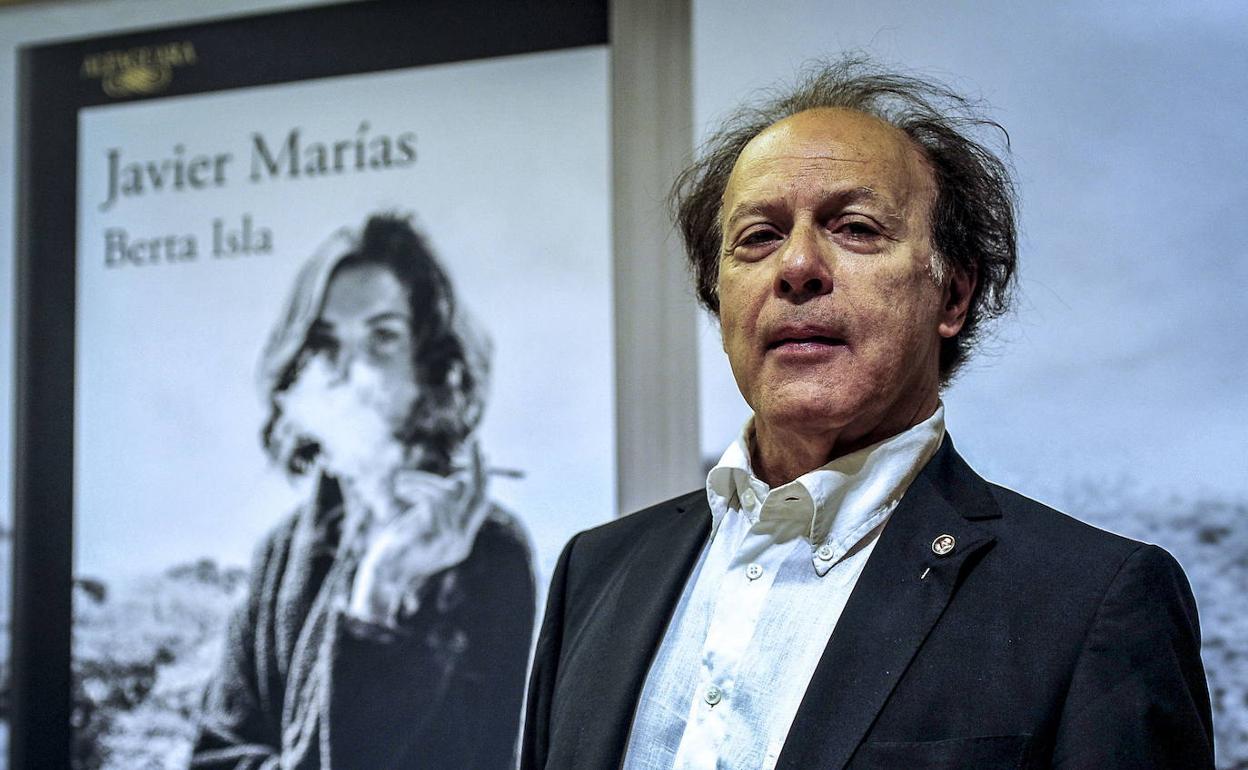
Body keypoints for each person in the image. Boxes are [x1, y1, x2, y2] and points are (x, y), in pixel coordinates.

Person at [521, 58, 1214, 769]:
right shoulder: (595, 572)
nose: (797, 266)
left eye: (854, 228)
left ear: (953, 296)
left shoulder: (1090, 602)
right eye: (758, 236)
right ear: (718, 296)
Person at [191, 214, 535, 769]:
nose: (351, 370)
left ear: (428, 360)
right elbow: (214, 756)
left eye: (382, 338)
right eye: (327, 343)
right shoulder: (280, 553)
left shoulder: (487, 553)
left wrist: (378, 605)